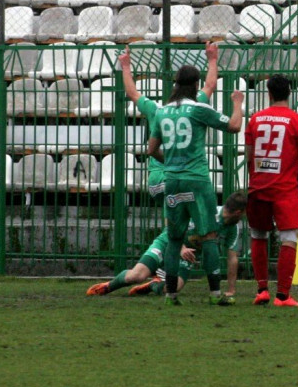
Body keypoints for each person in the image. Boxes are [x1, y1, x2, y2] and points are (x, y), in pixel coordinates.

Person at [145, 65, 245, 305]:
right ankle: (214, 295)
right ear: (196, 85)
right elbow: (234, 126)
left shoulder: (162, 112)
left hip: (172, 181)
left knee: (175, 237)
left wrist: (170, 164)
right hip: (197, 180)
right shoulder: (199, 109)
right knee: (209, 235)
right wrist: (237, 103)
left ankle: (170, 295)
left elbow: (151, 150)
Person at [87, 193, 248, 299]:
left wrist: (231, 290)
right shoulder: (206, 214)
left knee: (173, 288)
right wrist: (181, 248)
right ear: (238, 213)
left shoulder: (232, 228)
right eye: (245, 214)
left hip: (187, 256)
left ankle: (154, 285)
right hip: (168, 242)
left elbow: (232, 258)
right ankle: (108, 286)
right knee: (136, 276)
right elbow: (175, 227)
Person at [245, 76, 298, 307]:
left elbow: (249, 155)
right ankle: (283, 296)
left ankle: (262, 290)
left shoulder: (255, 119)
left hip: (258, 186)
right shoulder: (296, 120)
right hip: (284, 189)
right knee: (289, 238)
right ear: (289, 93)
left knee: (258, 235)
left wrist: (254, 179)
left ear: (269, 93)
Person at [120, 43, 219, 201]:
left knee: (173, 215)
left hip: (157, 180)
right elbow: (210, 85)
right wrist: (212, 59)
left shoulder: (156, 110)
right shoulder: (193, 106)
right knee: (189, 207)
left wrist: (125, 66)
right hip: (182, 176)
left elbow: (132, 93)